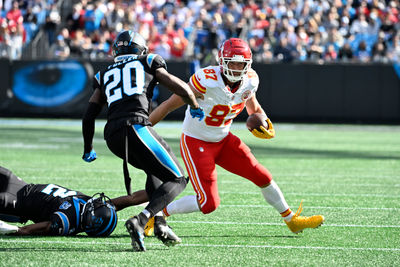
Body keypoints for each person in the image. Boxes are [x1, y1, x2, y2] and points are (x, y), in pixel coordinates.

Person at [147, 38, 324, 236]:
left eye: (242, 63)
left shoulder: (250, 80)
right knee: (208, 203)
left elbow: (253, 107)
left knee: (262, 175)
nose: (238, 67)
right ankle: (155, 213)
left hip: (223, 139)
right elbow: (167, 106)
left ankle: (292, 220)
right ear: (222, 61)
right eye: (233, 62)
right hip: (196, 142)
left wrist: (264, 121)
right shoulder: (205, 80)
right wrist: (143, 128)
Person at [81, 30, 204, 252]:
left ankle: (160, 224)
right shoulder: (147, 61)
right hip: (136, 126)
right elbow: (180, 86)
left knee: (155, 173)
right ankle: (141, 219)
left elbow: (89, 115)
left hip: (113, 136)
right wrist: (194, 105)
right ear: (141, 49)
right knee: (177, 179)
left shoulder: (103, 74)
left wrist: (88, 147)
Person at [0, 166, 148, 236]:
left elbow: (44, 227)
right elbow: (132, 199)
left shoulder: (70, 220)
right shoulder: (89, 208)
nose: (99, 202)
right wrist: (159, 191)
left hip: (15, 204)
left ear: (92, 217)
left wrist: (17, 230)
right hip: (23, 187)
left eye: (98, 205)